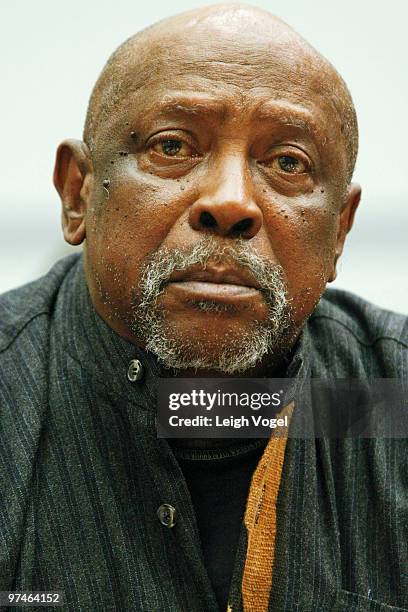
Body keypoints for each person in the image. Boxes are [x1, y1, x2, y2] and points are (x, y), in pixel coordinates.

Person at [0, 4, 407, 611]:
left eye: (288, 162)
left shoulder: (390, 402)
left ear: (339, 232)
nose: (230, 202)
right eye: (172, 145)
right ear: (78, 193)